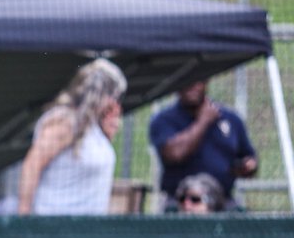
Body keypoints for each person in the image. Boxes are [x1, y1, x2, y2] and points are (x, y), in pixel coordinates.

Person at [17, 59, 127, 215]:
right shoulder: (66, 121)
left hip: (85, 229)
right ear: (102, 94)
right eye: (114, 96)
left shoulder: (93, 127)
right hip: (55, 223)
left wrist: (107, 135)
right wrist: (24, 214)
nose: (114, 103)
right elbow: (32, 164)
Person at [149, 79, 258, 211]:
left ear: (206, 83)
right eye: (187, 81)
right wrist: (203, 121)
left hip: (222, 201)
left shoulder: (231, 119)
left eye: (198, 81)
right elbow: (174, 153)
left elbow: (249, 157)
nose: (192, 86)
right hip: (182, 203)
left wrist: (248, 166)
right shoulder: (163, 119)